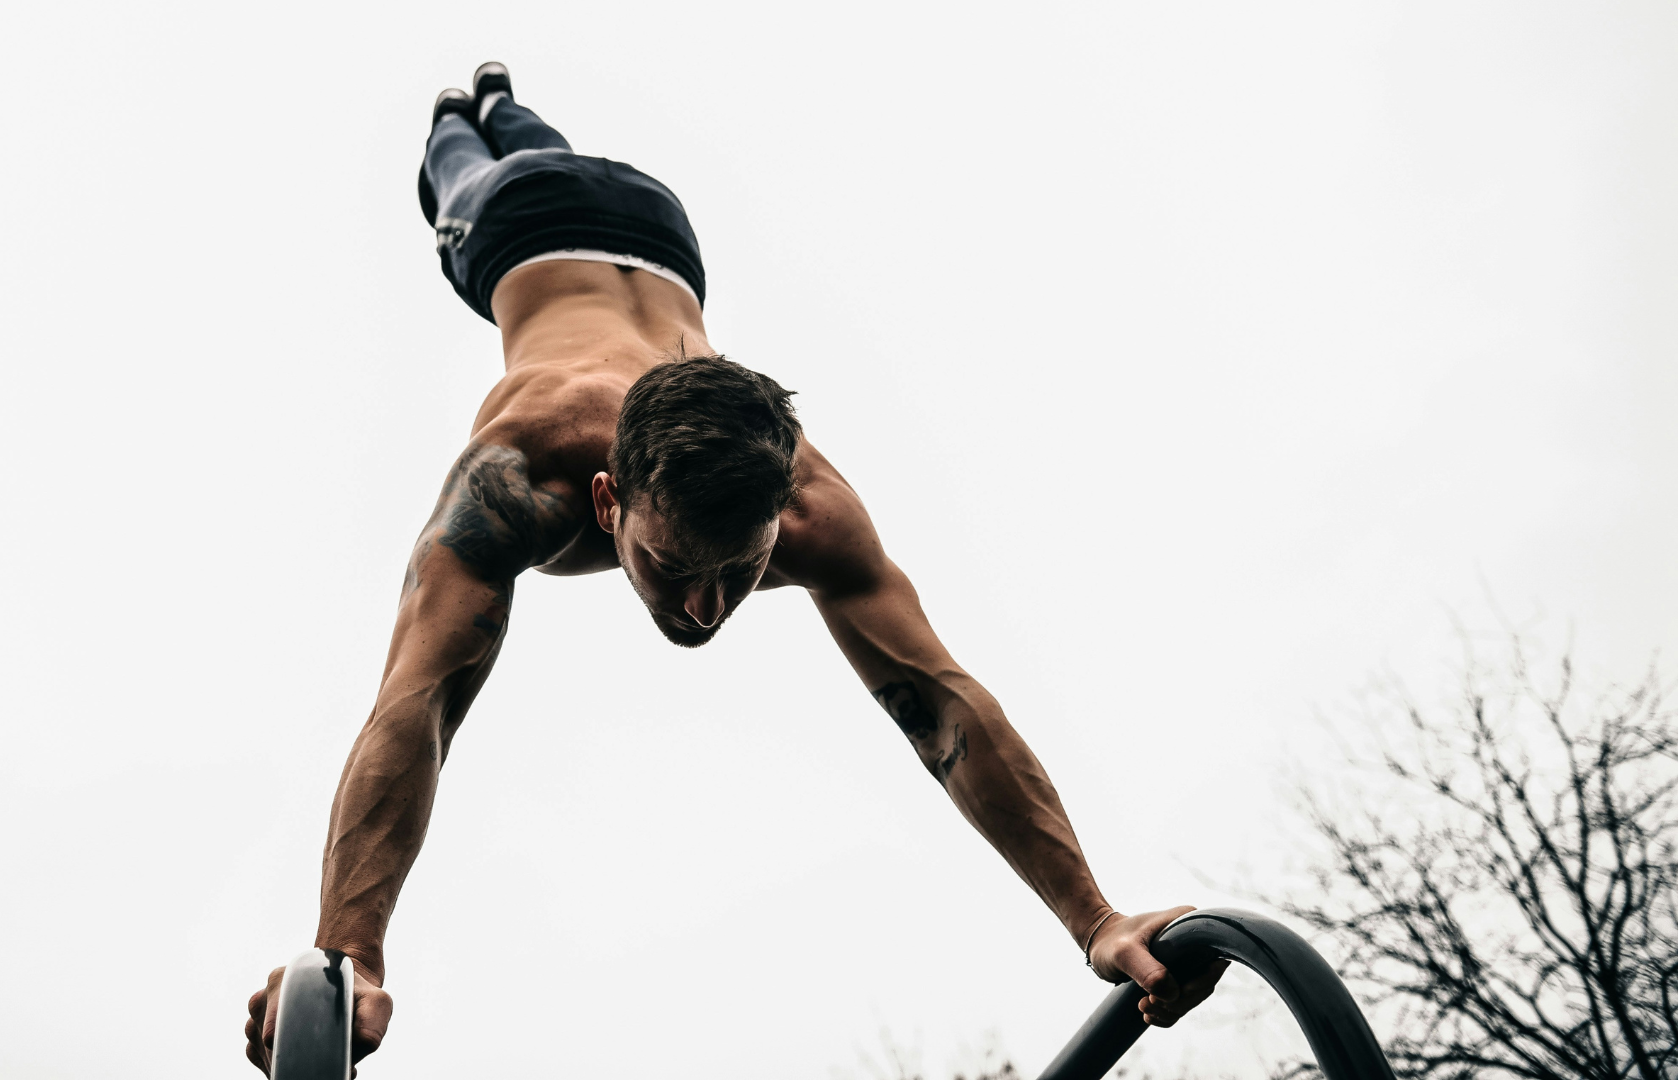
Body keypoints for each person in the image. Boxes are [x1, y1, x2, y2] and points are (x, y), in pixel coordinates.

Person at [245, 62, 1226, 1073]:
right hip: (523, 221)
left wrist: (1096, 919)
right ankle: (468, 112)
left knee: (538, 151)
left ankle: (499, 104)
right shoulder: (517, 474)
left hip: (666, 238)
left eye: (740, 568)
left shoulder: (809, 502)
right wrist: (346, 956)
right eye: (672, 567)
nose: (708, 606)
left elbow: (943, 703)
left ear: (780, 515)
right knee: (459, 174)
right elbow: (417, 701)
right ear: (604, 502)